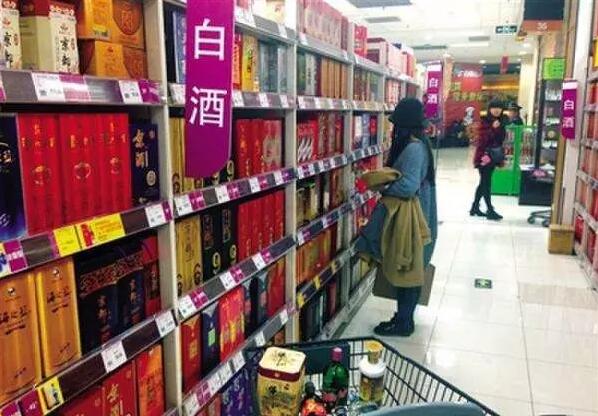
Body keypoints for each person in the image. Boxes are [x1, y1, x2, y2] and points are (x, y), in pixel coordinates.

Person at [370, 98, 438, 337]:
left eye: (396, 125)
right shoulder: (420, 144)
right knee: (410, 266)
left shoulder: (413, 149)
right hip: (419, 213)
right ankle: (403, 318)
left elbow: (408, 186)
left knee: (408, 268)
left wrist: (383, 185)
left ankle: (404, 322)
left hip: (413, 217)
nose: (393, 129)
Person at [470, 100, 508, 220]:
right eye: (494, 107)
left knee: (484, 183)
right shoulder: (484, 122)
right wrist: (493, 128)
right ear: (489, 109)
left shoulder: (501, 122)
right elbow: (482, 140)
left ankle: (475, 207)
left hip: (493, 157)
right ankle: (490, 210)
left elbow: (501, 139)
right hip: (484, 157)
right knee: (486, 183)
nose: (496, 110)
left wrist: (499, 127)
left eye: (499, 108)